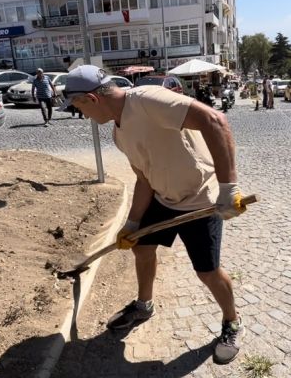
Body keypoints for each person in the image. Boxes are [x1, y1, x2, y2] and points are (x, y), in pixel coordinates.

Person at [62, 65, 247, 365]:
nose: (82, 115)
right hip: (163, 197)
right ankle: (144, 305)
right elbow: (144, 179)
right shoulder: (119, 134)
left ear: (92, 99)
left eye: (78, 107)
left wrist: (229, 189)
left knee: (207, 272)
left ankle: (232, 322)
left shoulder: (148, 100)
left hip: (200, 200)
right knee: (142, 248)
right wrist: (133, 222)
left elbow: (216, 120)